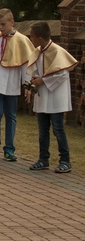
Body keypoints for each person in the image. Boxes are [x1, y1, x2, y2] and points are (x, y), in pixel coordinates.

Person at [0, 9, 35, 161]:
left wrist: (27, 84)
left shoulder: (21, 40)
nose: (1, 28)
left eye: (3, 24)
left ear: (12, 22)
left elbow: (25, 64)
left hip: (12, 83)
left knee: (11, 116)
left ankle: (9, 149)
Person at [27, 21, 78, 174]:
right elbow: (36, 69)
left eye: (32, 36)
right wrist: (34, 79)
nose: (31, 39)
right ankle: (43, 158)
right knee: (43, 130)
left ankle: (65, 160)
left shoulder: (57, 51)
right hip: (43, 96)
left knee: (58, 129)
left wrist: (43, 80)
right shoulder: (38, 51)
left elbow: (62, 72)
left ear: (40, 38)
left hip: (55, 97)